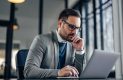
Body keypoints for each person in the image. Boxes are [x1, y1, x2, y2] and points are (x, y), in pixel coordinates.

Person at [24, 9, 85, 79]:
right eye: (71, 27)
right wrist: (58, 72)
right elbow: (29, 71)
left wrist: (79, 51)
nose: (75, 32)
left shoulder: (74, 44)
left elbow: (79, 74)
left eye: (77, 28)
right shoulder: (41, 40)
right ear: (60, 24)